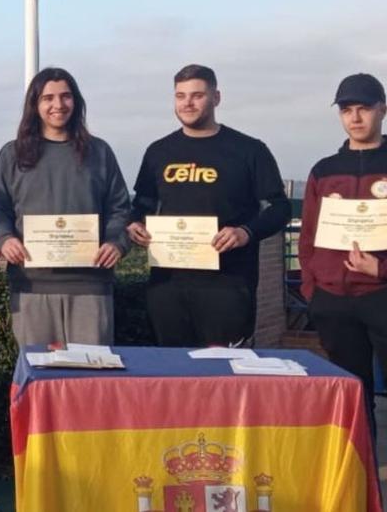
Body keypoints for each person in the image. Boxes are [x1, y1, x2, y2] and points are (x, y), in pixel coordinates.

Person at [127, 64, 290, 347]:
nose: (187, 103)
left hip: (228, 284)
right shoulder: (158, 152)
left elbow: (279, 208)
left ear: (216, 98)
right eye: (180, 96)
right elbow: (142, 203)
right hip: (168, 285)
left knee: (223, 377)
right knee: (174, 372)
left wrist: (245, 232)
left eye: (197, 95)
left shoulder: (249, 150)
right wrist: (134, 225)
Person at [0, 67, 130, 346]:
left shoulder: (99, 152)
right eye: (48, 98)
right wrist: (5, 239)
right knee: (40, 377)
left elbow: (119, 207)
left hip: (90, 285)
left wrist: (116, 243)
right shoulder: (12, 154)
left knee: (91, 377)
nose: (58, 105)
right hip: (32, 285)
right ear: (35, 104)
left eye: (65, 96)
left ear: (76, 102)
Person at [298, 73, 387, 431]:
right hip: (333, 299)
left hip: (382, 293)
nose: (355, 117)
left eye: (364, 108)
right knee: (352, 394)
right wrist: (313, 290)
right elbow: (308, 237)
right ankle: (361, 473)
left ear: (382, 110)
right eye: (347, 109)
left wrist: (380, 269)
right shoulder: (324, 170)